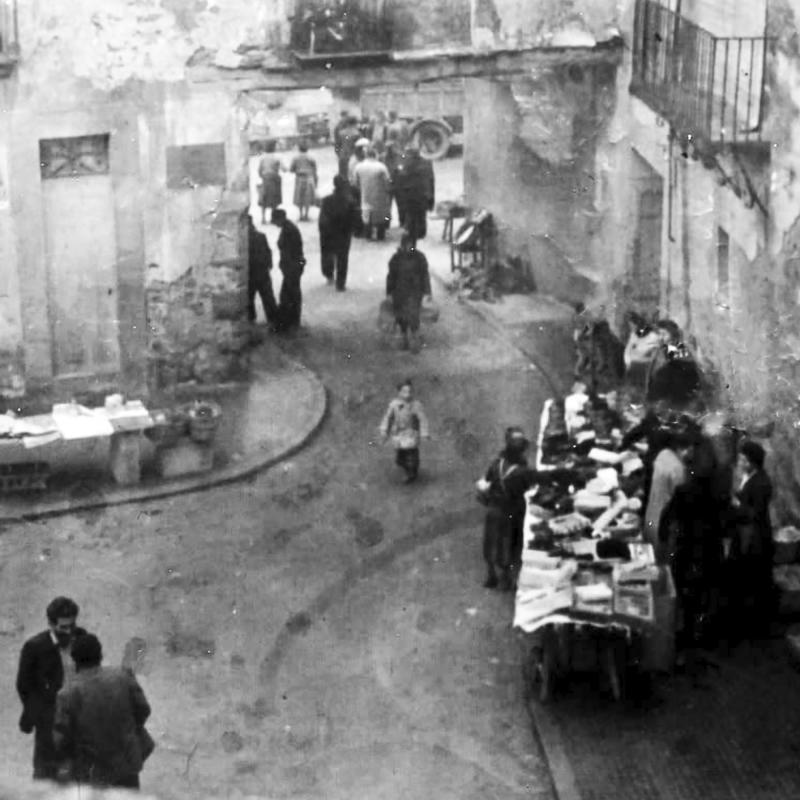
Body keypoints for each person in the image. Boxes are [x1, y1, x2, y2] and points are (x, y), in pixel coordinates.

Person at [53, 634, 152, 790]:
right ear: (100, 654)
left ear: (75, 660)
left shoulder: (67, 694)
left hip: (92, 773)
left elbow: (60, 740)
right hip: (126, 765)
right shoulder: (122, 677)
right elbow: (143, 709)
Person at [16, 596, 88, 780]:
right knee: (46, 776)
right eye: (63, 627)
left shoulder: (82, 638)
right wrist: (41, 713)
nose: (69, 631)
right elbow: (24, 685)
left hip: (78, 720)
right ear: (50, 624)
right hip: (49, 723)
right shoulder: (34, 647)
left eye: (72, 626)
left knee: (79, 776)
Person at [478, 428, 533, 591]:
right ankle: (506, 577)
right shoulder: (521, 468)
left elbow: (486, 480)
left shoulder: (497, 464)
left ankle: (491, 576)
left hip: (495, 508)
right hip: (512, 510)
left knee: (491, 542)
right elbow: (526, 488)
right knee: (508, 543)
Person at [730, 440, 774, 639]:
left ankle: (754, 628)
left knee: (754, 580)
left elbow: (753, 513)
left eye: (743, 458)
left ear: (752, 461)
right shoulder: (752, 477)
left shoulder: (761, 483)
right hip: (748, 535)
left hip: (755, 538)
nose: (740, 460)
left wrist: (736, 504)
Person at [644, 427, 693, 562]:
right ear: (685, 449)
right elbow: (680, 498)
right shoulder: (678, 468)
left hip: (651, 515)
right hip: (664, 521)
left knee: (650, 558)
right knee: (662, 563)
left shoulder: (663, 454)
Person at [386, 233, 432, 352]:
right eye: (406, 245)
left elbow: (425, 275)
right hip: (400, 292)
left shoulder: (420, 258)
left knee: (413, 314)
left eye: (411, 245)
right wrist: (389, 292)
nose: (408, 247)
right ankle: (404, 336)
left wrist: (427, 292)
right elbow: (391, 276)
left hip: (415, 291)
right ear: (402, 245)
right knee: (401, 315)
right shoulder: (396, 259)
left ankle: (414, 336)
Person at [379, 379, 430, 484]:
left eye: (410, 392)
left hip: (411, 433)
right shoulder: (394, 404)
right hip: (399, 433)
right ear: (399, 392)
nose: (407, 395)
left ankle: (412, 471)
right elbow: (388, 417)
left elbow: (422, 419)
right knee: (400, 458)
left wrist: (424, 433)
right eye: (404, 392)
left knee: (411, 453)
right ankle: (407, 467)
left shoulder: (416, 405)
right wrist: (384, 429)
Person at [319, 175, 356, 291]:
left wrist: (322, 231)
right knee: (342, 258)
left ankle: (329, 275)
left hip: (329, 232)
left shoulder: (326, 200)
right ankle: (340, 283)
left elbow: (322, 218)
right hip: (344, 233)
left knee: (327, 253)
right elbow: (354, 219)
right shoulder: (350, 202)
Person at [272, 208, 306, 333]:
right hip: (294, 266)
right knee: (292, 293)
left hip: (292, 267)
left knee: (288, 295)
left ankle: (286, 322)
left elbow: (288, 251)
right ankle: (292, 320)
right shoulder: (289, 228)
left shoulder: (288, 230)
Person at [393, 145, 435, 240]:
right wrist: (431, 196)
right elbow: (431, 179)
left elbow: (401, 179)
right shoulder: (427, 163)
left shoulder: (407, 164)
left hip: (410, 195)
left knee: (411, 214)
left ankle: (413, 232)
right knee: (422, 214)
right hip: (424, 194)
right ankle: (421, 232)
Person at [247, 215, 278, 329]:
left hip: (252, 272)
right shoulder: (261, 236)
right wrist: (269, 265)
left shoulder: (246, 238)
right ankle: (273, 319)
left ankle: (251, 318)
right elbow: (268, 252)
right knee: (267, 296)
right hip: (262, 271)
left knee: (250, 297)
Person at [354, 147, 391, 241]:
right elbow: (387, 181)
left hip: (365, 195)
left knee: (367, 215)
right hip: (380, 196)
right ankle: (380, 235)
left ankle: (368, 235)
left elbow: (355, 182)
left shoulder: (359, 166)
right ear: (375, 155)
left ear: (366, 155)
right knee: (381, 216)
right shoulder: (381, 167)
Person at [289, 142, 317, 222]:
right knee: (307, 197)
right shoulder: (311, 157)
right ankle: (306, 215)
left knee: (300, 197)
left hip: (299, 178)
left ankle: (301, 214)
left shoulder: (295, 158)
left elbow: (291, 169)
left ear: (299, 149)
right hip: (309, 178)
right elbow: (315, 169)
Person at [256, 141, 282, 224]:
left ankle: (263, 218)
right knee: (275, 199)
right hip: (274, 179)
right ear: (273, 148)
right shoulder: (276, 158)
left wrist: (263, 176)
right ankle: (272, 218)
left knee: (264, 198)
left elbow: (259, 170)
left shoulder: (262, 158)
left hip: (265, 179)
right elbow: (284, 169)